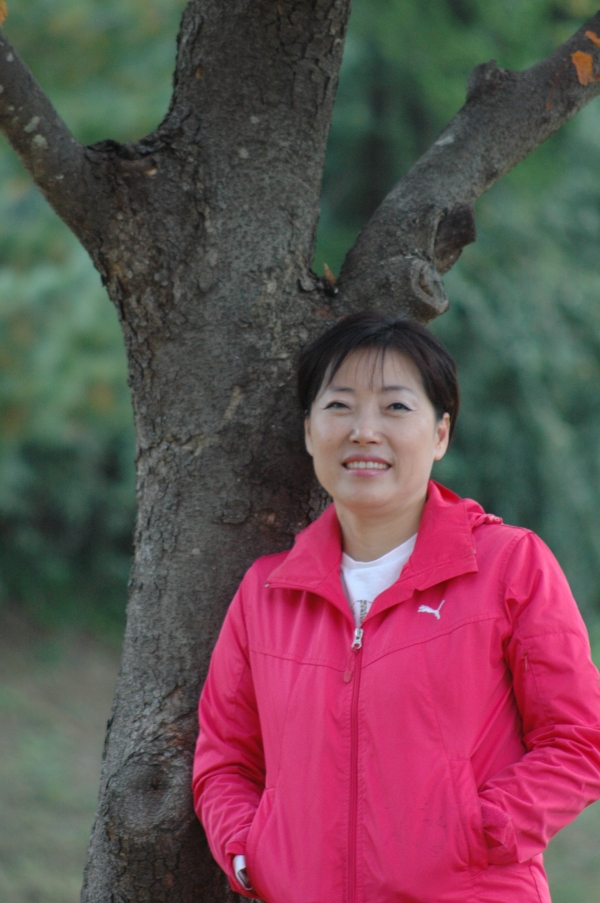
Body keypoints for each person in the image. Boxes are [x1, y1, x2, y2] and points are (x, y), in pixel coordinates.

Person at [192, 312, 600, 903]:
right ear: (308, 430)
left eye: (396, 407)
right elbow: (225, 760)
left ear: (440, 434)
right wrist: (248, 851)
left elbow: (579, 738)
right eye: (339, 406)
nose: (364, 431)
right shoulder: (266, 593)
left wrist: (482, 831)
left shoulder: (509, 566)